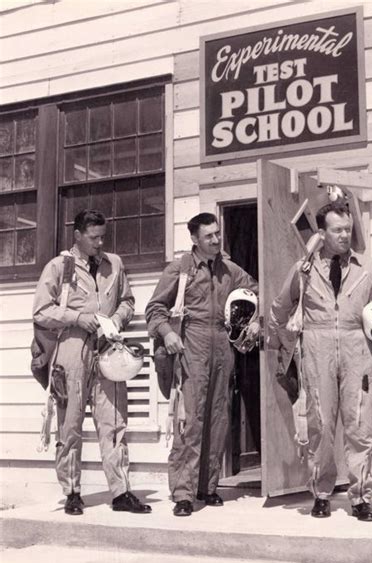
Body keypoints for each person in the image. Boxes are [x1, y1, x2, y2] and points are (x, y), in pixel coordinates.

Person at [268, 199, 372, 522]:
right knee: (320, 426)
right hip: (317, 352)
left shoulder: (368, 268)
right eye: (337, 230)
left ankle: (362, 498)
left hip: (357, 352)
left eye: (348, 230)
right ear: (322, 234)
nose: (344, 236)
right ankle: (321, 494)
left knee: (360, 427)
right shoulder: (304, 270)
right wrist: (288, 347)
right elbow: (280, 310)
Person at [33, 209, 151, 516]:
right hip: (71, 350)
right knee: (69, 424)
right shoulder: (59, 267)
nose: (100, 243)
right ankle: (72, 491)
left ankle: (121, 492)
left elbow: (127, 300)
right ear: (78, 236)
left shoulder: (115, 264)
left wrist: (116, 319)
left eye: (102, 237)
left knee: (113, 422)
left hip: (108, 351)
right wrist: (77, 318)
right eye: (93, 237)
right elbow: (41, 311)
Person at [145, 212, 259, 517]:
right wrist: (167, 332)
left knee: (218, 418)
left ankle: (207, 487)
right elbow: (154, 308)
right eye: (209, 236)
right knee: (190, 420)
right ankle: (183, 492)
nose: (216, 239)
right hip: (190, 345)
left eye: (217, 234)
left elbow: (256, 292)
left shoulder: (230, 270)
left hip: (223, 345)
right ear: (194, 239)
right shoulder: (180, 270)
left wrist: (253, 321)